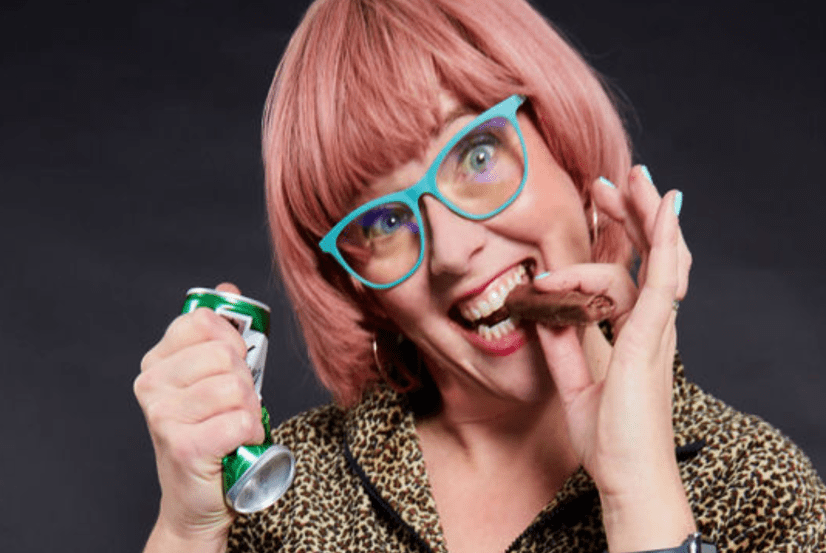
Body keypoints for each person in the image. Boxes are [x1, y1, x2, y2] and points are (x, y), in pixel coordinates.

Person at [134, 0, 826, 551]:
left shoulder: (756, 487)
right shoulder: (281, 502)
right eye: (383, 220)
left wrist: (637, 493)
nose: (450, 251)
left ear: (564, 144)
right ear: (359, 287)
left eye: (476, 153)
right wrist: (187, 532)